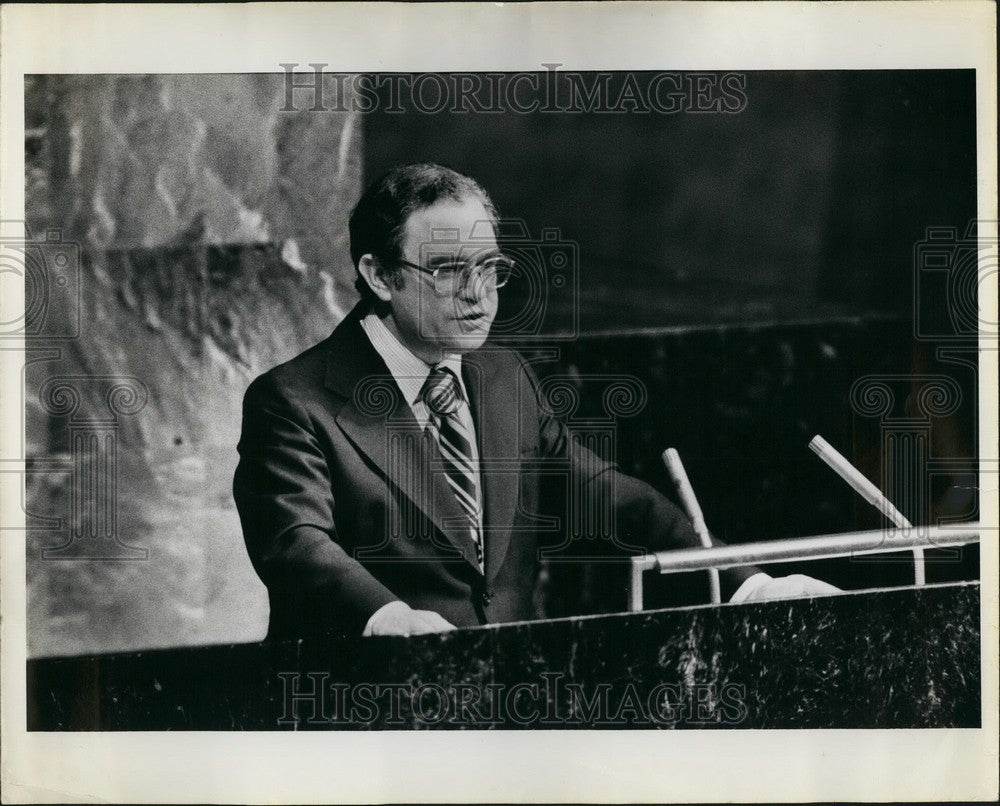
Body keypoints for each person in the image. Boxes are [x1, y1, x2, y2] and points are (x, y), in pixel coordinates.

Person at [233, 162, 837, 640]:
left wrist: (750, 585)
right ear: (379, 275)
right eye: (449, 271)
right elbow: (296, 543)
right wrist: (390, 619)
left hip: (506, 703)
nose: (479, 295)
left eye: (489, 267)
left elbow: (612, 500)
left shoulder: (503, 377)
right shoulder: (291, 401)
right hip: (363, 706)